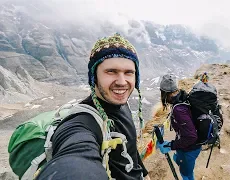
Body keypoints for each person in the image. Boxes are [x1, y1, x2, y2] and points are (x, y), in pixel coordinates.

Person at [36, 33, 150, 180]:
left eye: (129, 72)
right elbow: (76, 159)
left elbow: (130, 150)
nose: (122, 82)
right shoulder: (81, 123)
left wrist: (144, 175)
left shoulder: (121, 103)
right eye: (111, 71)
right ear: (94, 76)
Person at [157, 74, 201, 180]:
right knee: (179, 160)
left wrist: (171, 145)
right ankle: (180, 160)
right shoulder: (183, 97)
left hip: (190, 149)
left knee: (186, 174)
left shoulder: (179, 110)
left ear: (165, 93)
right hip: (191, 147)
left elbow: (191, 137)